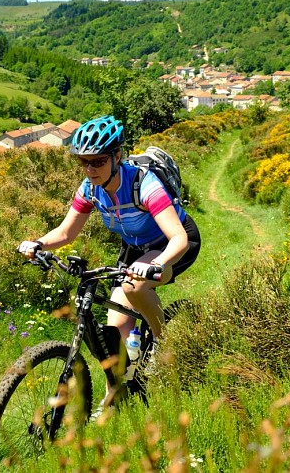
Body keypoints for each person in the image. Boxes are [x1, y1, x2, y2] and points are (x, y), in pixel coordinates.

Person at [17, 115, 201, 341]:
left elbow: (178, 239)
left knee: (134, 287)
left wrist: (156, 264)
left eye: (98, 161)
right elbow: (66, 233)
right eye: (84, 162)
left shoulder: (143, 184)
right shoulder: (90, 189)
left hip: (172, 243)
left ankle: (165, 345)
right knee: (117, 338)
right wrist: (39, 243)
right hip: (135, 247)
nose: (90, 169)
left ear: (117, 156)